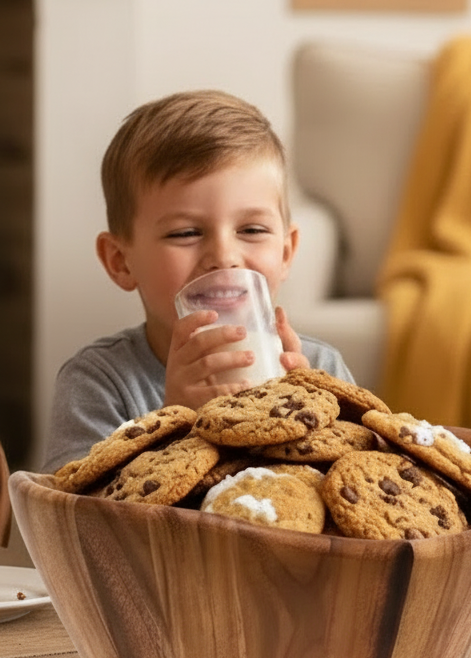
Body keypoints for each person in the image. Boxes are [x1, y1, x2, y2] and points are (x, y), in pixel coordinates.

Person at [41, 89, 354, 474]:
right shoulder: (99, 383)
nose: (223, 256)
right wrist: (177, 425)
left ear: (286, 252)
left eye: (252, 229)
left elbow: (358, 489)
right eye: (185, 233)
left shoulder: (322, 368)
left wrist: (306, 419)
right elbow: (73, 521)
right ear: (121, 261)